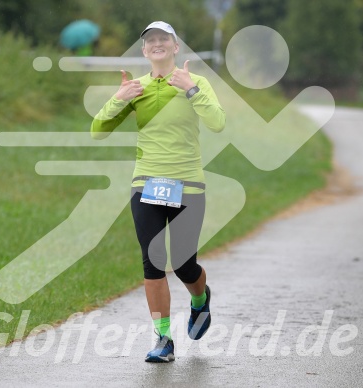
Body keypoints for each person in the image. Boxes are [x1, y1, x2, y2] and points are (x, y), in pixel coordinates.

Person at [91, 21, 225, 362]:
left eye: (164, 38)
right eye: (151, 40)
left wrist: (191, 89)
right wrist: (118, 99)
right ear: (144, 50)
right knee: (153, 261)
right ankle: (163, 339)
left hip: (188, 184)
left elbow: (218, 123)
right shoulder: (137, 88)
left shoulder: (196, 81)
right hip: (146, 183)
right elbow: (98, 130)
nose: (157, 43)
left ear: (176, 47)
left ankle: (200, 299)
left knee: (183, 264)